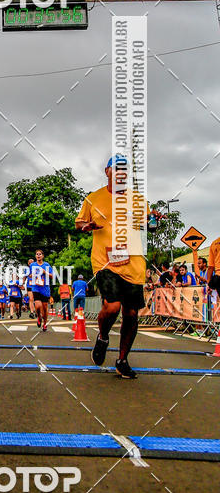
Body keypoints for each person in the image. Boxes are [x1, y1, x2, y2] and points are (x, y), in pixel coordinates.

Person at [76, 154, 161, 379]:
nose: (120, 173)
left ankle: (122, 360)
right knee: (112, 306)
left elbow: (148, 225)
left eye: (124, 170)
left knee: (131, 313)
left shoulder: (138, 199)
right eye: (116, 169)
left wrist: (153, 221)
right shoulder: (93, 198)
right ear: (107, 172)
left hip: (133, 263)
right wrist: (86, 226)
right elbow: (79, 222)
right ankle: (103, 337)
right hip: (105, 261)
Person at [26, 249, 54, 332]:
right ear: (35, 256)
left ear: (43, 256)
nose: (38, 255)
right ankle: (39, 317)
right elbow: (29, 275)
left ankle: (44, 324)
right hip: (36, 288)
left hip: (45, 288)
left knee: (45, 308)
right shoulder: (32, 265)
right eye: (37, 254)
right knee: (38, 306)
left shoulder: (47, 265)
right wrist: (32, 275)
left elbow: (52, 276)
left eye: (40, 254)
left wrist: (45, 272)